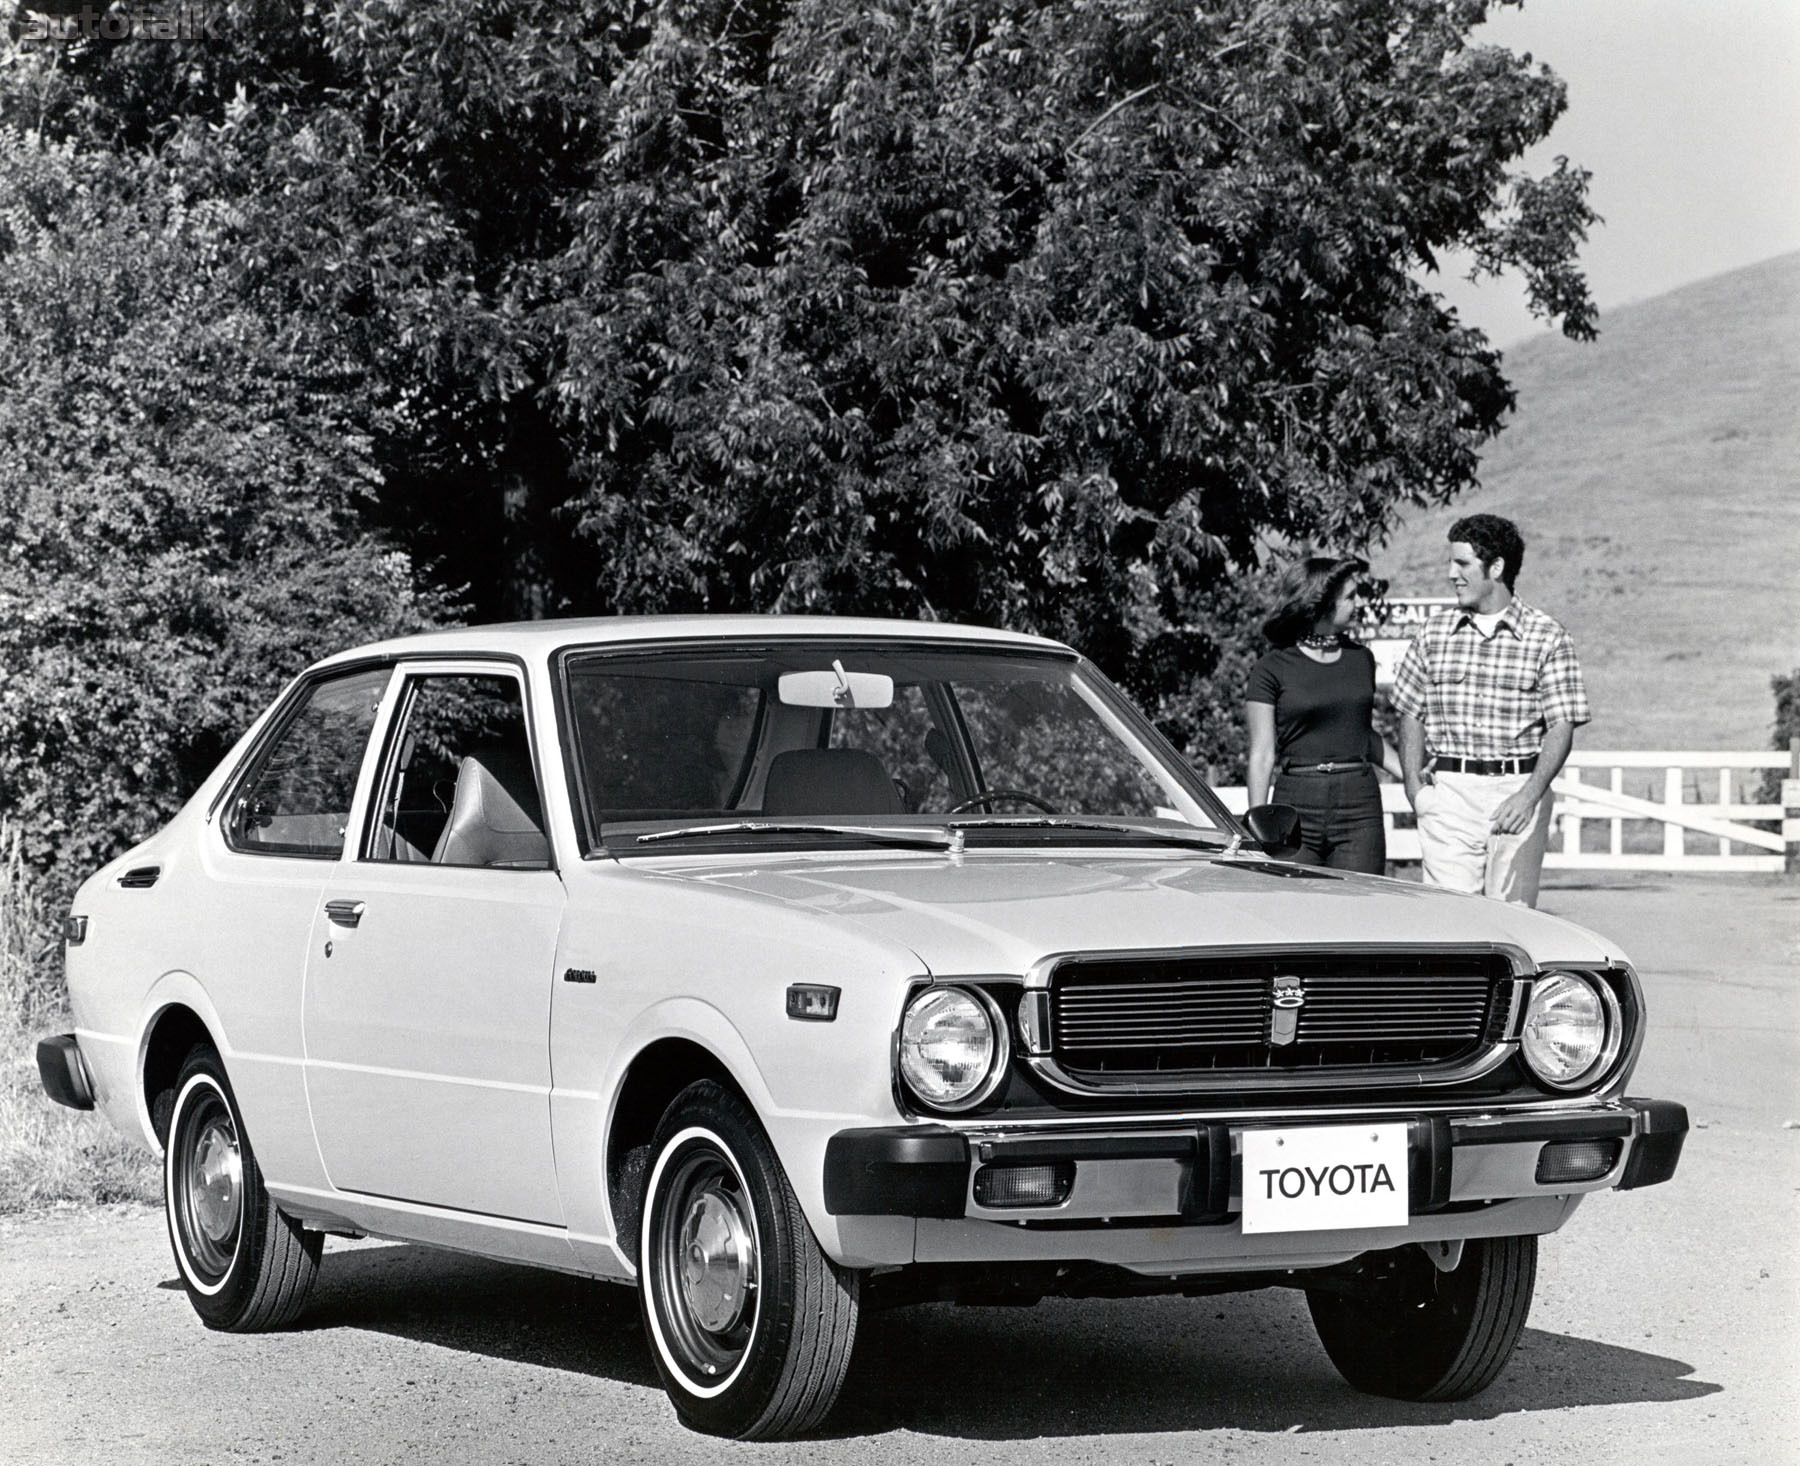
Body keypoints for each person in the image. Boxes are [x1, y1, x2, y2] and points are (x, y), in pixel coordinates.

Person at [1390, 513, 1590, 907]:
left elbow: (1562, 726)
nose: (1451, 574)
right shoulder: (1433, 634)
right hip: (1449, 795)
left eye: (1462, 564)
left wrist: (1529, 796)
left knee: (1512, 919)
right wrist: (1417, 791)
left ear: (1496, 567)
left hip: (1516, 793)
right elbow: (1409, 712)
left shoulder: (1546, 636)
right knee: (1449, 919)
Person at [1245, 556, 1402, 873]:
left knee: (1361, 908)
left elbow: (1363, 736)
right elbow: (1262, 752)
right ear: (1322, 602)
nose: (1358, 603)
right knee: (1296, 910)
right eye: (1350, 596)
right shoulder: (1271, 668)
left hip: (1360, 804)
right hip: (1296, 804)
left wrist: (1415, 777)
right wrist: (1257, 825)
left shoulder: (1362, 659)